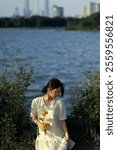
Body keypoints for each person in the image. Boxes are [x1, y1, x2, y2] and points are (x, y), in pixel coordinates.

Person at [30, 78, 74, 150]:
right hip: (43, 135)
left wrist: (67, 137)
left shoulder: (59, 103)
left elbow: (63, 121)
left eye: (59, 92)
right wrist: (39, 124)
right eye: (56, 92)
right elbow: (33, 117)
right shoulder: (36, 101)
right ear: (49, 89)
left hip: (57, 135)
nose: (57, 94)